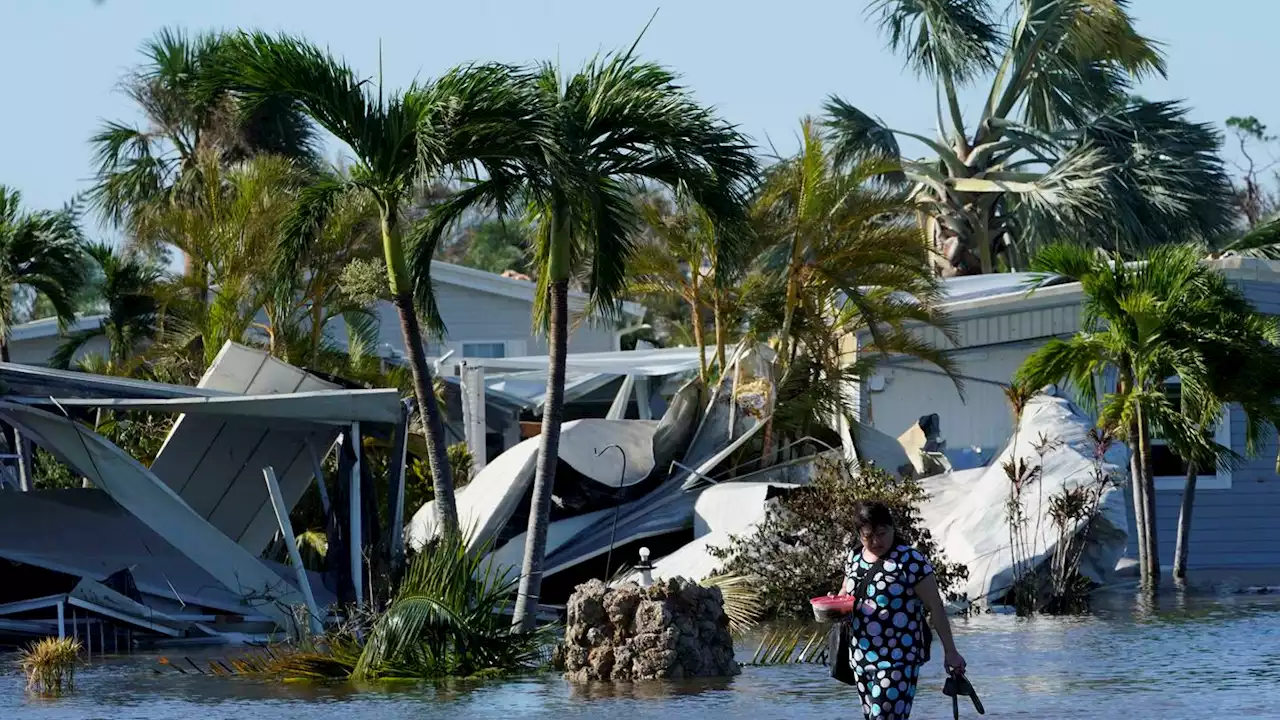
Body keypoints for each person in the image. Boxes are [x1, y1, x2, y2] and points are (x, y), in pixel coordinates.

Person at [837, 500, 966, 720]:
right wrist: (834, 603)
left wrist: (950, 651)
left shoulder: (909, 560)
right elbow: (844, 596)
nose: (876, 541)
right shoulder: (854, 558)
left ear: (892, 528)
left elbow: (935, 607)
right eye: (868, 536)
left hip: (898, 658)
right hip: (860, 657)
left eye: (881, 533)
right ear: (860, 535)